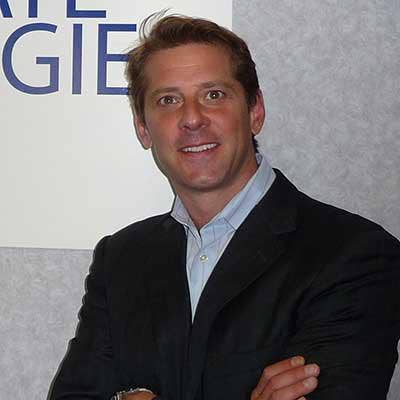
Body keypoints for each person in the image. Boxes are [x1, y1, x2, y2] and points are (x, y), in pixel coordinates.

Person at [49, 13, 400, 400]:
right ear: (143, 128)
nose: (192, 118)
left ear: (255, 112)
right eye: (168, 100)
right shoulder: (120, 259)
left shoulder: (354, 255)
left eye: (213, 95)